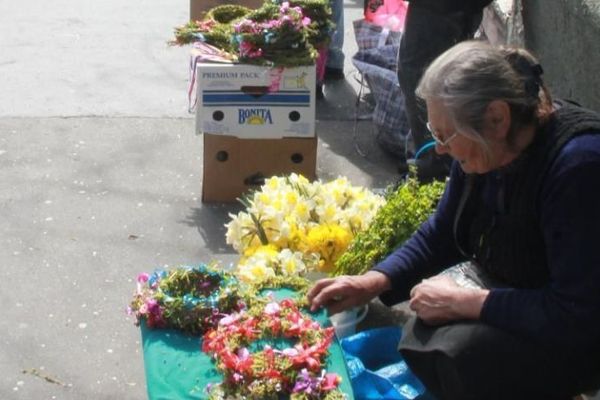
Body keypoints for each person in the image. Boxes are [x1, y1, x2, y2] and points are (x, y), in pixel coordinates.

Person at [308, 40, 600, 400]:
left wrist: (468, 302)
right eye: (435, 133)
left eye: (445, 135)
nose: (440, 148)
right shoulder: (487, 147)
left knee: (460, 352)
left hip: (580, 329)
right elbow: (442, 231)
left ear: (497, 117)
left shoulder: (578, 168)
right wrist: (374, 281)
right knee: (426, 332)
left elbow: (578, 312)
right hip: (528, 293)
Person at [397, 0, 493, 182]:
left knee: (424, 82)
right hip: (450, 10)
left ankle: (434, 166)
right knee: (432, 80)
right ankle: (435, 163)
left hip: (441, 10)